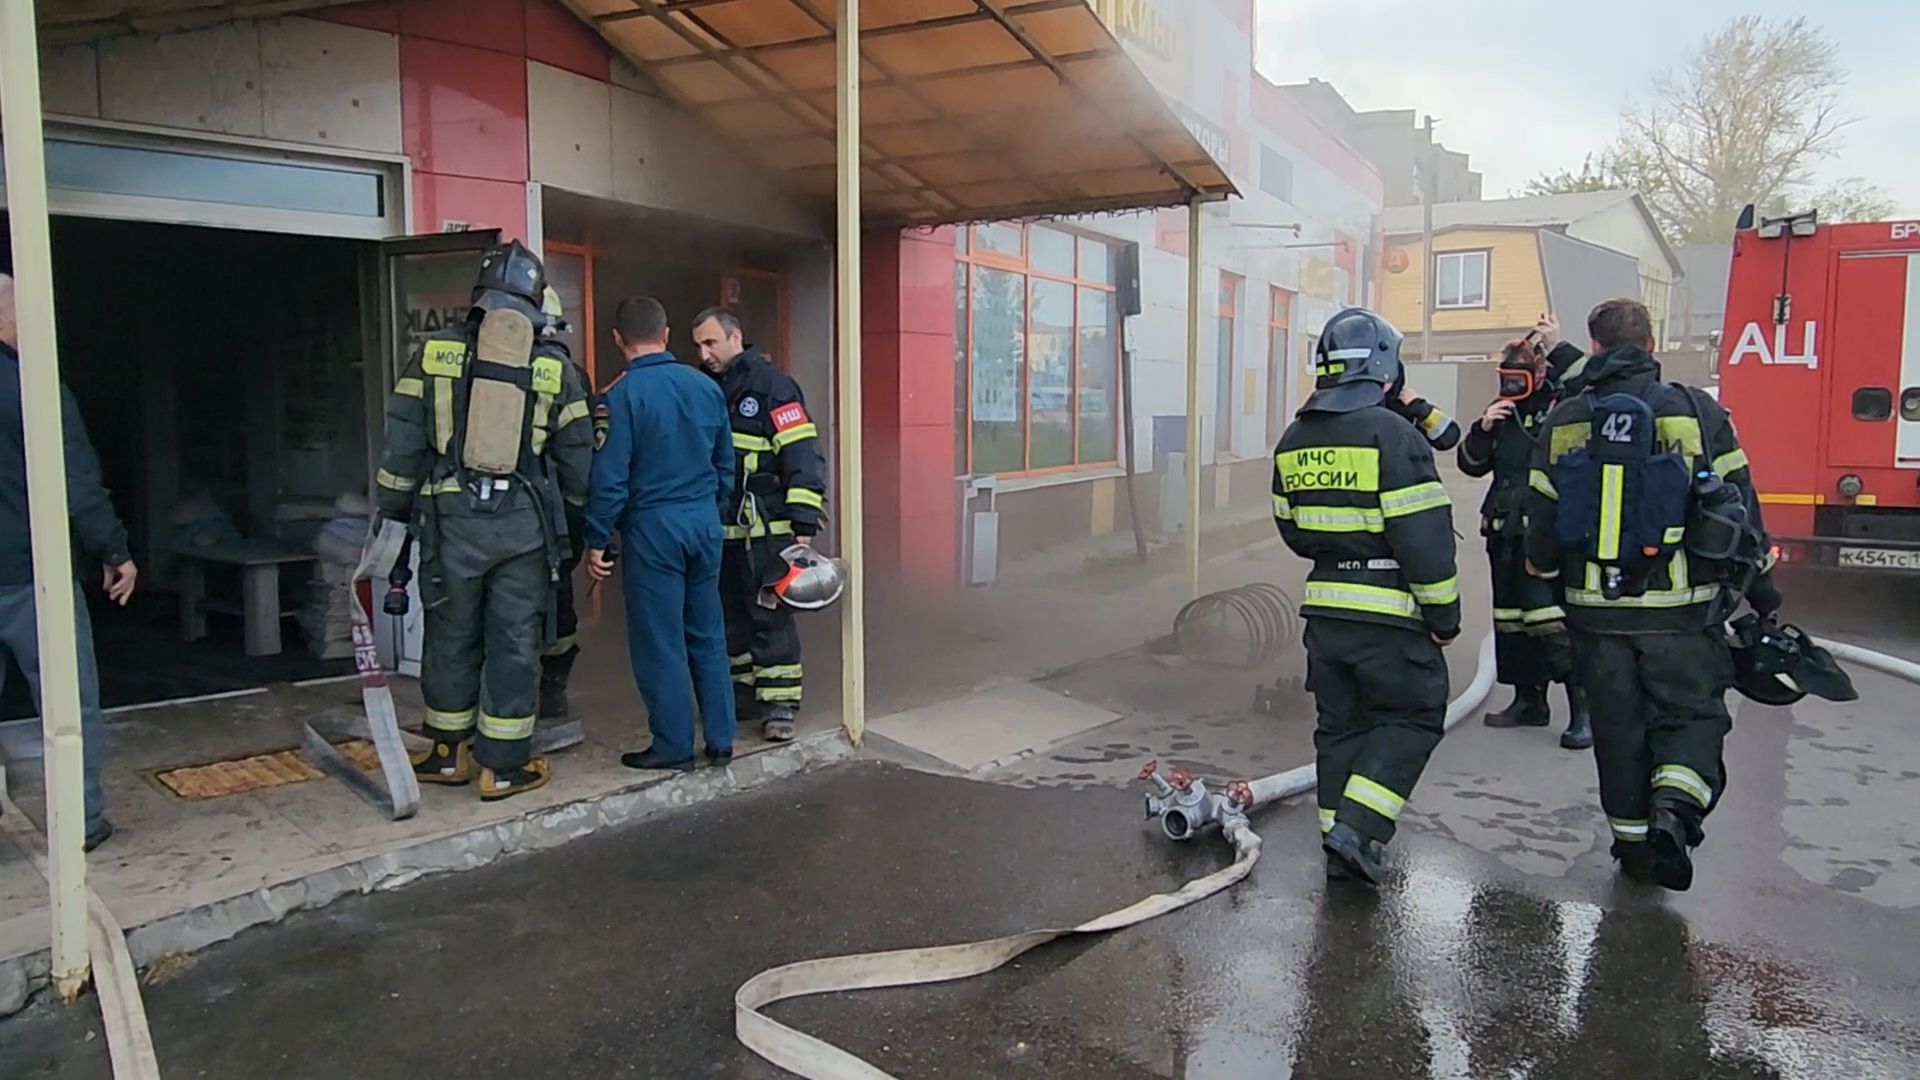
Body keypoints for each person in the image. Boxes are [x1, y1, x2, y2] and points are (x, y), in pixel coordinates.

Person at [1525, 298, 1779, 891]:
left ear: (1593, 348)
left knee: (1617, 732)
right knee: (1691, 715)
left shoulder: (1563, 420)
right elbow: (1744, 508)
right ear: (1652, 345)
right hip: (1682, 614)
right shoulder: (1696, 411)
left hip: (1594, 615)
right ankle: (1675, 812)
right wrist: (1764, 591)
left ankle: (1634, 849)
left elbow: (1538, 525)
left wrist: (1548, 584)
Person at [375, 242, 593, 801]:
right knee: (514, 642)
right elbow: (576, 467)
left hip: (448, 525)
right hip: (522, 530)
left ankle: (448, 754)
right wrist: (580, 529)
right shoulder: (554, 368)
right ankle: (504, 765)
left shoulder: (430, 355)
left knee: (450, 636)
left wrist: (394, 512)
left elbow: (402, 447)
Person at [1273, 307, 1460, 887]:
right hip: (1392, 616)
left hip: (1326, 615)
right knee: (1413, 717)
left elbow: (1292, 529)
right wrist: (1444, 619)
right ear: (1384, 368)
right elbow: (1424, 540)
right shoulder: (1393, 434)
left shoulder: (1293, 438)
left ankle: (1339, 846)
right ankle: (1355, 829)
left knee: (1341, 728)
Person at [0, 274, 133, 851]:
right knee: (67, 702)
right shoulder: (31, 386)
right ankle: (81, 821)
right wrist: (115, 550)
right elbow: (75, 479)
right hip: (34, 574)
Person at [584, 297, 736, 771]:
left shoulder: (623, 397)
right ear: (667, 334)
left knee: (661, 639)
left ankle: (672, 746)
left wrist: (596, 537)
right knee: (708, 635)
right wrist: (711, 513)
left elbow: (611, 478)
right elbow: (726, 464)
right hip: (703, 524)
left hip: (654, 527)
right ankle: (721, 739)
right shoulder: (706, 388)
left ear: (616, 339)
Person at [1458, 314, 1593, 749]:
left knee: (1549, 622)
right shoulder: (1503, 414)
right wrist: (1483, 430)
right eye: (1506, 379)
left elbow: (1591, 384)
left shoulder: (1564, 405)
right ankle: (1528, 701)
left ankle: (1583, 711)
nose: (1513, 387)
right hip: (1503, 529)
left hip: (1545, 532)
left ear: (1540, 373)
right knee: (1510, 622)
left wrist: (1559, 347)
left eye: (1520, 379)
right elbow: (1470, 464)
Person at [691, 308, 826, 743]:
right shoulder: (704, 388)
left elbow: (802, 454)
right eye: (698, 345)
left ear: (735, 337)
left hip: (766, 530)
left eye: (711, 343)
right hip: (719, 529)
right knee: (729, 618)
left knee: (769, 618)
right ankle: (743, 697)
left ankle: (780, 705)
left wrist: (803, 520)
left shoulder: (773, 387)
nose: (704, 353)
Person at [534, 287, 598, 729]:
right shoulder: (570, 373)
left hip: (506, 518)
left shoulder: (486, 368)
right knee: (556, 605)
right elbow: (582, 457)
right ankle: (551, 692)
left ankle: (541, 694)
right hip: (554, 519)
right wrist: (582, 521)